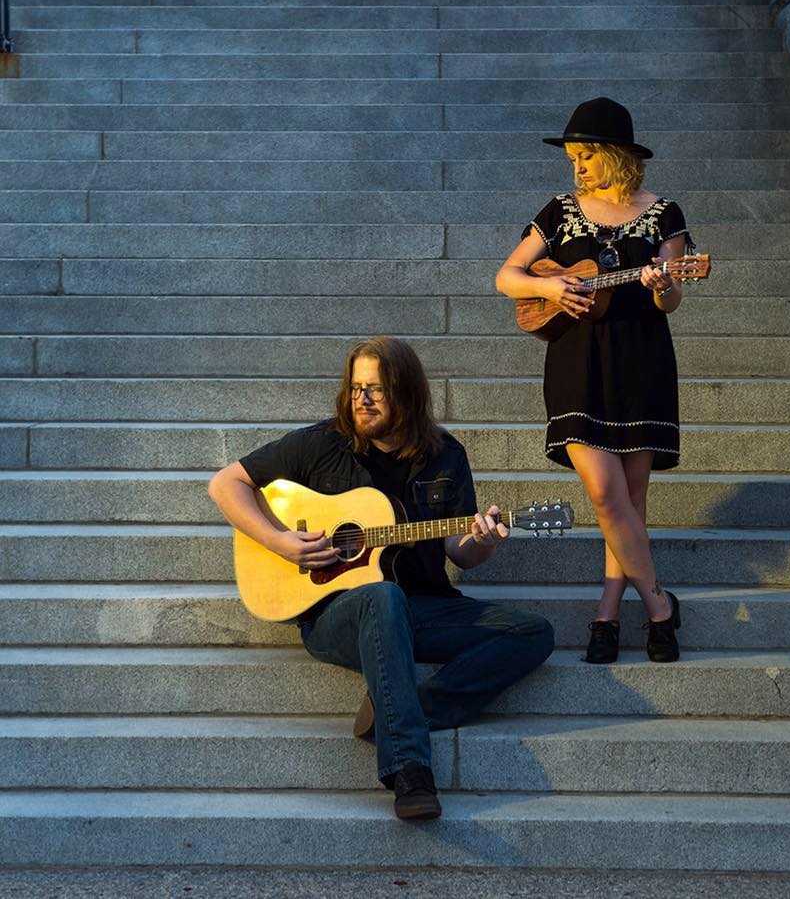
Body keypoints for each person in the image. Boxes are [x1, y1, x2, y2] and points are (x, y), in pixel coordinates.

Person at [208, 337, 554, 821]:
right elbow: (225, 484)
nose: (362, 399)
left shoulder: (445, 456)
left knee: (534, 633)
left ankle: (398, 710)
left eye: (376, 389)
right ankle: (409, 768)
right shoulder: (320, 444)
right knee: (382, 594)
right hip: (338, 616)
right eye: (356, 388)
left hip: (422, 608)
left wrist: (485, 539)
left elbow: (461, 553)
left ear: (407, 394)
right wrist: (280, 542)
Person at [496, 96, 692, 666]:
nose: (576, 166)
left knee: (630, 497)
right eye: (574, 157)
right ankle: (659, 606)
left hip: (642, 360)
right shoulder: (560, 211)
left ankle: (607, 613)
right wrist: (551, 288)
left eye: (586, 156)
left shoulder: (665, 213)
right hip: (576, 364)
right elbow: (506, 276)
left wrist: (659, 282)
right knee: (606, 493)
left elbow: (672, 298)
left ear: (615, 156)